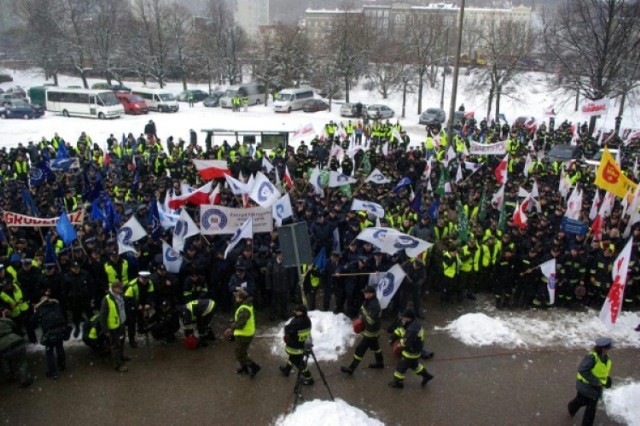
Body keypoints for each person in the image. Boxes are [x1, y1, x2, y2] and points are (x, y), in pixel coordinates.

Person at [568, 337, 613, 425]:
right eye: (608, 348)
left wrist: (607, 381)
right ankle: (572, 408)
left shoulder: (606, 358)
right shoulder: (591, 357)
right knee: (588, 407)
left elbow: (603, 372)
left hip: (594, 388)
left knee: (587, 405)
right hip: (585, 387)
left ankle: (572, 407)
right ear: (603, 349)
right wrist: (596, 381)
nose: (609, 350)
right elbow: (583, 370)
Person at [340, 285, 383, 375]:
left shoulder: (374, 305)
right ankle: (380, 363)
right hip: (370, 330)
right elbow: (362, 309)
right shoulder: (367, 301)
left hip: (371, 331)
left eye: (367, 293)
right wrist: (360, 316)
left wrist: (363, 316)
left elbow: (371, 320)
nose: (365, 294)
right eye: (364, 292)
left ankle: (351, 368)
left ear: (372, 294)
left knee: (360, 349)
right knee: (375, 347)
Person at [388, 308, 434, 389]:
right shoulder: (410, 323)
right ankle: (427, 376)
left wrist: (399, 344)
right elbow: (401, 330)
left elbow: (407, 341)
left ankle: (398, 382)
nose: (402, 318)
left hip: (412, 350)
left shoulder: (413, 328)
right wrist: (393, 337)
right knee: (414, 365)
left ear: (409, 318)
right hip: (414, 349)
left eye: (403, 317)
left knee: (401, 365)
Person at [223, 290, 261, 378]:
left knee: (239, 354)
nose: (235, 298)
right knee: (242, 351)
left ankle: (254, 367)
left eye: (236, 297)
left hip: (244, 335)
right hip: (246, 333)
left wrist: (231, 328)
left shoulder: (244, 309)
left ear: (241, 298)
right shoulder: (247, 305)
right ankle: (244, 368)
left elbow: (240, 323)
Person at [33, 288, 67, 379]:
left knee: (49, 353)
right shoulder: (55, 305)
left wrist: (36, 310)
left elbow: (33, 323)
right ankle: (62, 365)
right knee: (60, 347)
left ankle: (52, 373)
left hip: (49, 332)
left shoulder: (40, 309)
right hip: (60, 329)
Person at [279, 304, 314, 385]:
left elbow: (287, 329)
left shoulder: (297, 322)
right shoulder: (307, 320)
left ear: (301, 312)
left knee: (299, 363)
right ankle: (287, 370)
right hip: (302, 344)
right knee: (293, 358)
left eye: (297, 311)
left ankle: (309, 378)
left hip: (295, 346)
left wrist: (287, 330)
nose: (295, 312)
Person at [99, 281, 129, 373]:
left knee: (121, 341)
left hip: (121, 323)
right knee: (115, 345)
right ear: (115, 288)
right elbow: (103, 316)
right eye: (120, 289)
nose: (121, 291)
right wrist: (105, 329)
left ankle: (121, 356)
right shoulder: (107, 299)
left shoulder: (120, 296)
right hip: (113, 327)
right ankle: (117, 365)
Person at [0, 315, 33, 388]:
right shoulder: (5, 320)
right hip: (16, 341)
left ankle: (9, 376)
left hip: (3, 347)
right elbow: (16, 327)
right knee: (21, 362)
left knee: (5, 361)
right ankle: (24, 380)